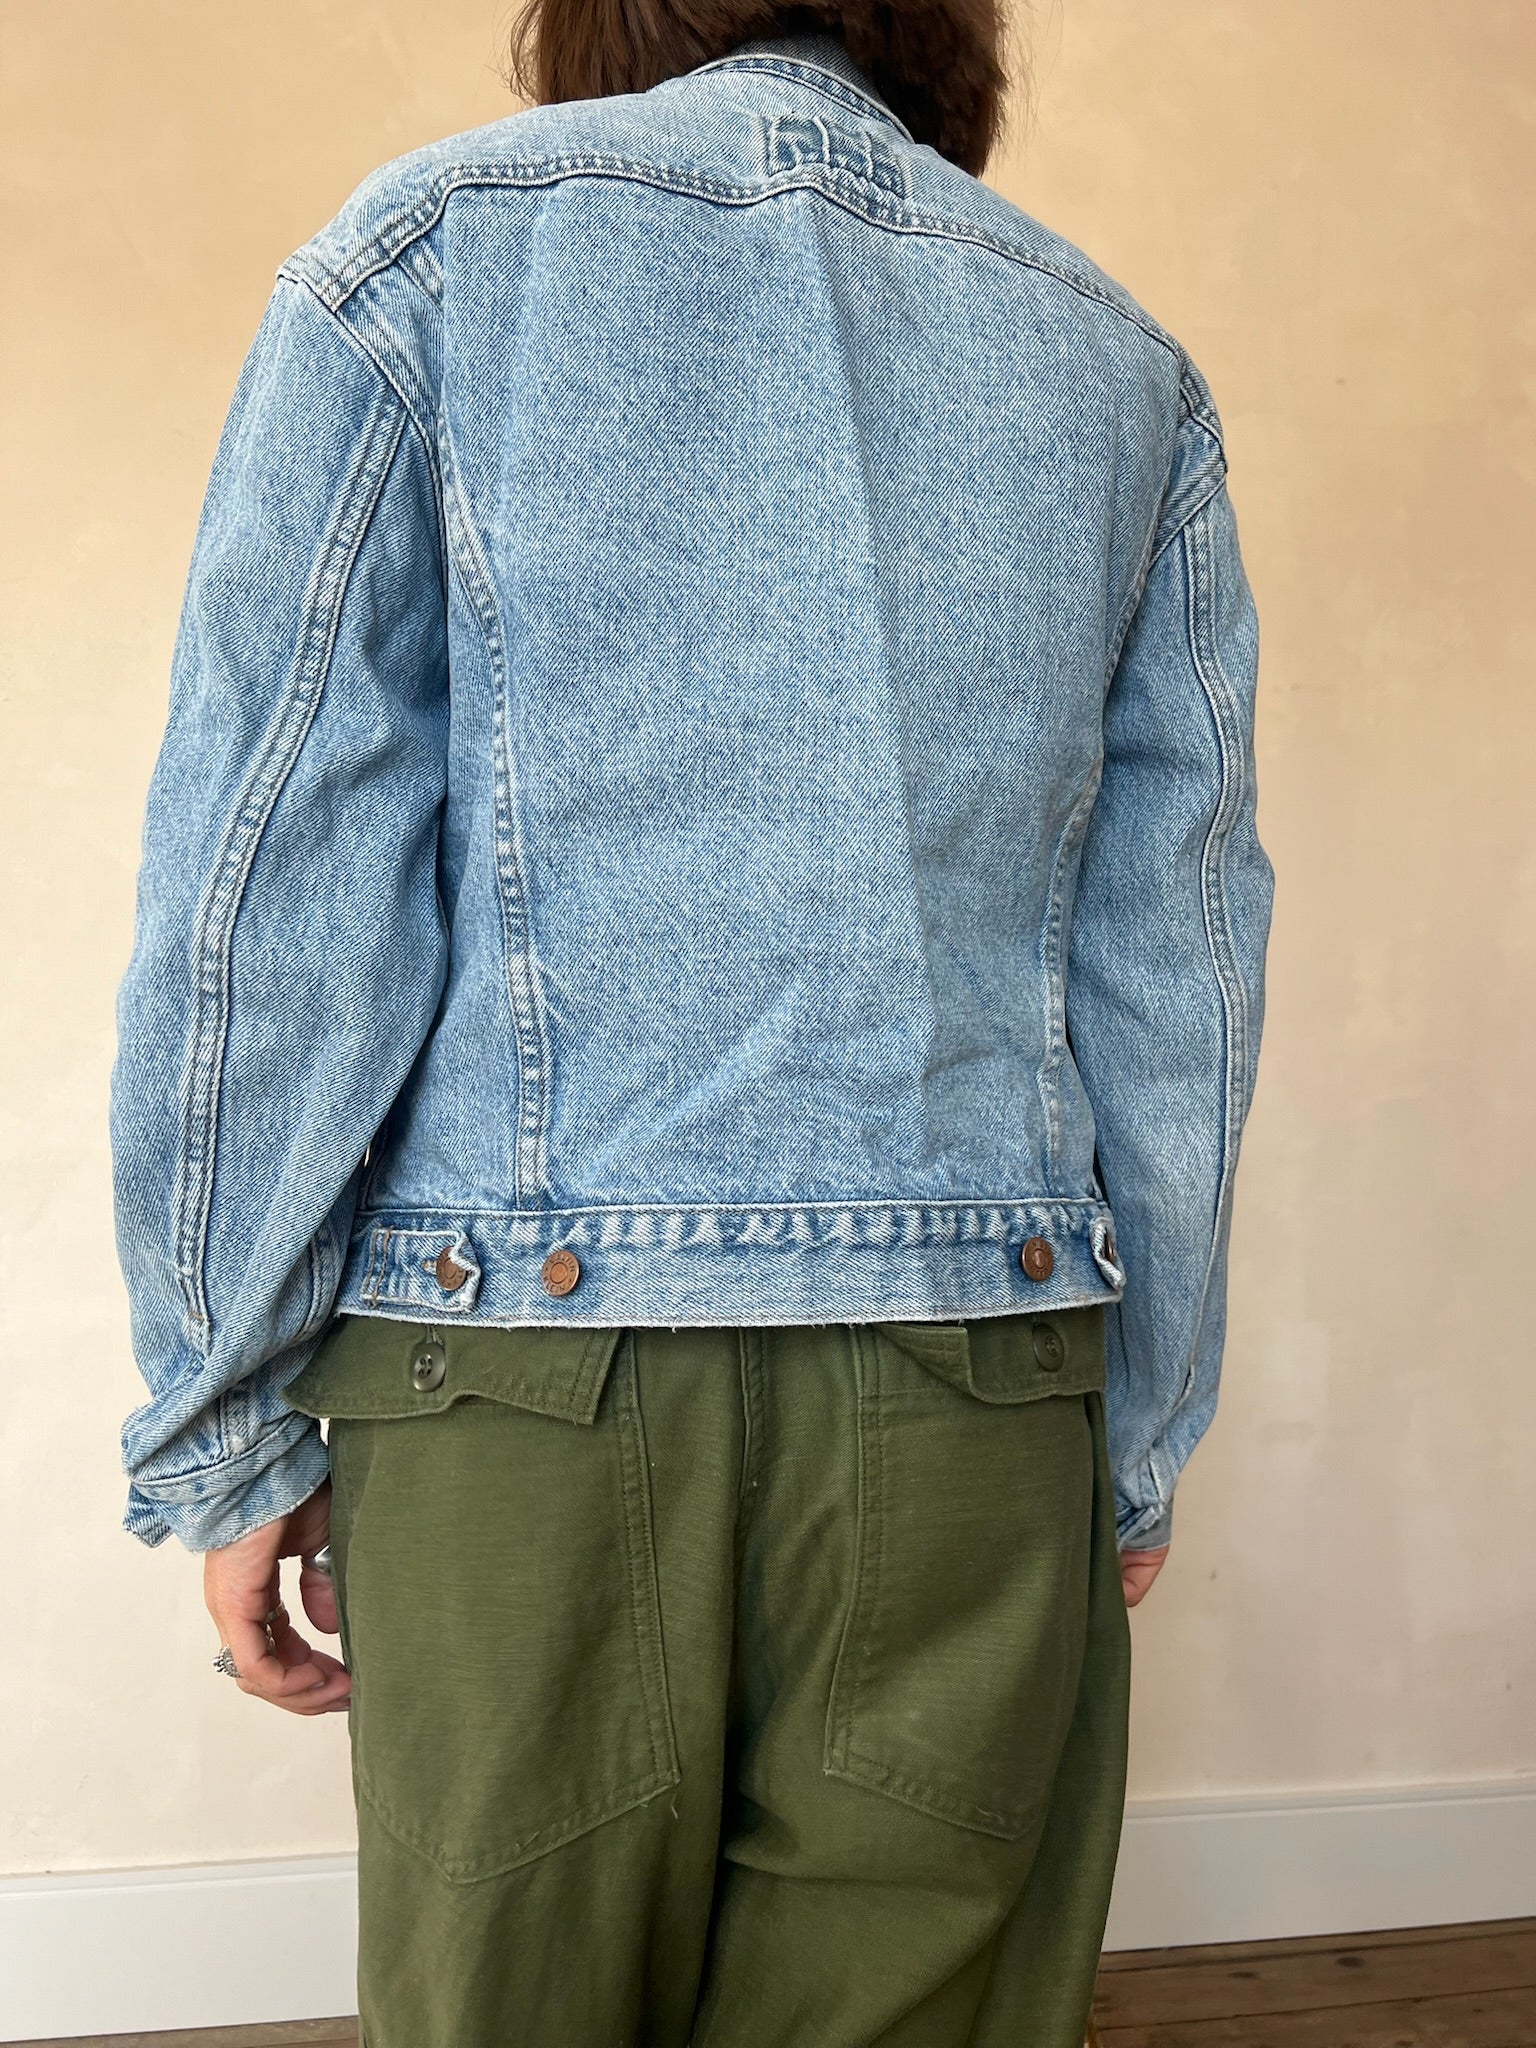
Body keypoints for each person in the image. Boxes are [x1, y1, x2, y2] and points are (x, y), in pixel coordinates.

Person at [108, 2, 1275, 2041]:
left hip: (517, 1390)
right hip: (979, 1384)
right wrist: (1138, 1433)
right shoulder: (1120, 369)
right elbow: (1177, 955)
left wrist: (226, 1415)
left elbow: (266, 885)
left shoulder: (420, 261)